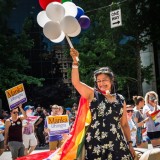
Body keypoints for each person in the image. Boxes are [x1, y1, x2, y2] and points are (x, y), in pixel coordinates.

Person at [70, 48, 136, 159]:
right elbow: (76, 82)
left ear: (111, 80)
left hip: (117, 144)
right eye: (98, 81)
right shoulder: (93, 94)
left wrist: (130, 144)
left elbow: (124, 124)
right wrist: (75, 62)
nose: (101, 83)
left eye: (104, 80)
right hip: (96, 145)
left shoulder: (120, 99)